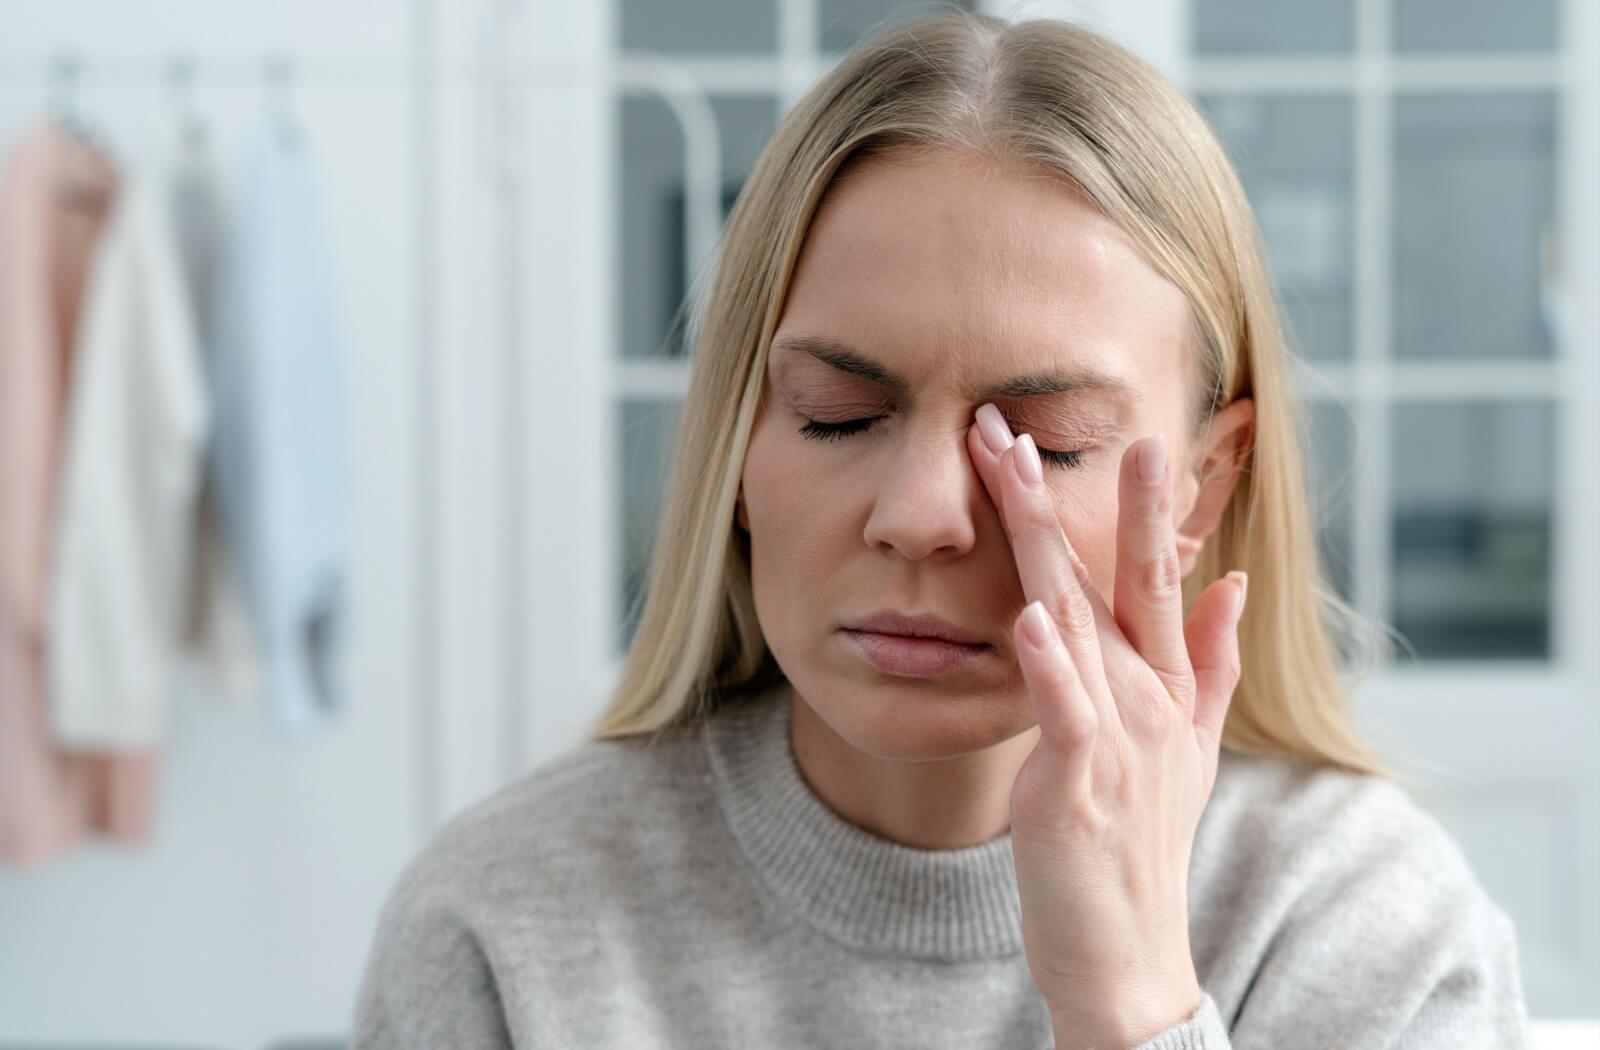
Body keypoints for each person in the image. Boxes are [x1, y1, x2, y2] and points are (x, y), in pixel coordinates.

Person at [352, 11, 1529, 1048]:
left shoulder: (1365, 927)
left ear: (1201, 488)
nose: (919, 518)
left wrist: (1133, 1007)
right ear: (740, 452)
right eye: (838, 414)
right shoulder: (501, 924)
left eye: (1045, 442)